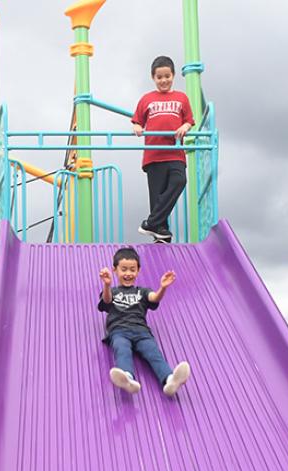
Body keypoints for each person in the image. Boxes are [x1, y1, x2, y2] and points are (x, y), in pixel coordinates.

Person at [98, 247, 190, 395]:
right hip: (119, 331)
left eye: (132, 269)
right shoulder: (113, 291)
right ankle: (127, 377)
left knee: (154, 353)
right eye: (124, 269)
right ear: (115, 270)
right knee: (122, 349)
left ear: (138, 271)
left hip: (142, 332)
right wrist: (107, 284)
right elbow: (106, 301)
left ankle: (169, 380)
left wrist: (163, 288)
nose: (128, 273)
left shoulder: (142, 291)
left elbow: (154, 298)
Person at [131, 55, 195, 243]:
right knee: (157, 195)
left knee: (179, 181)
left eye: (167, 76)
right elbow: (137, 120)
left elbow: (189, 120)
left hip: (175, 153)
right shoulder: (147, 99)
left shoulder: (181, 98)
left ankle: (150, 223)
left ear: (173, 75)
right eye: (159, 77)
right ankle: (161, 233)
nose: (164, 80)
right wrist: (136, 126)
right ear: (153, 78)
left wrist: (185, 127)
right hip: (154, 154)